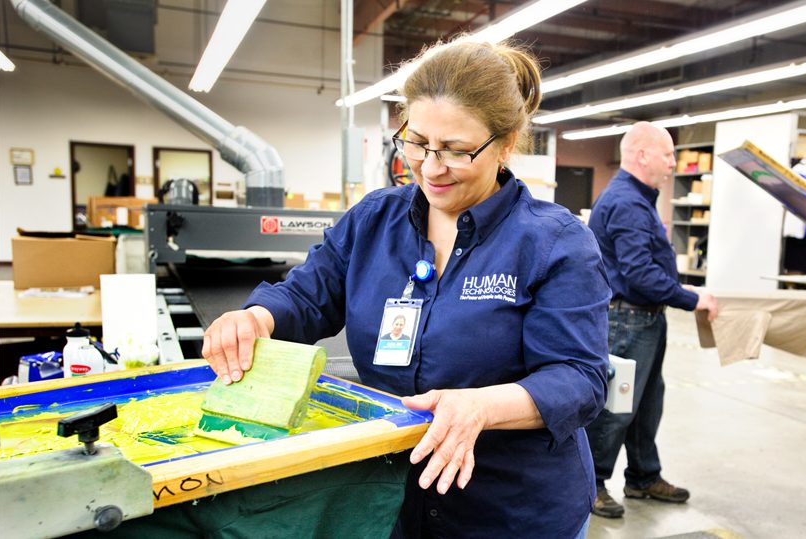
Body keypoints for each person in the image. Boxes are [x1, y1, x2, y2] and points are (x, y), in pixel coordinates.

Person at [201, 40, 610, 538]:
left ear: (506, 145)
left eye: (458, 151)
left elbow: (579, 380)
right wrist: (256, 318)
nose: (431, 167)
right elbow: (307, 297)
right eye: (416, 142)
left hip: (509, 510)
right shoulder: (374, 220)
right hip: (388, 500)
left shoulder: (554, 243)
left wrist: (482, 406)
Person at [585, 122, 719, 519]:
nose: (674, 163)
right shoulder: (627, 202)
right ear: (642, 155)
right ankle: (590, 484)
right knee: (617, 408)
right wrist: (691, 298)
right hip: (628, 320)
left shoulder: (639, 199)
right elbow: (639, 273)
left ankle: (643, 476)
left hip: (644, 320)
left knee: (647, 404)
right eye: (668, 154)